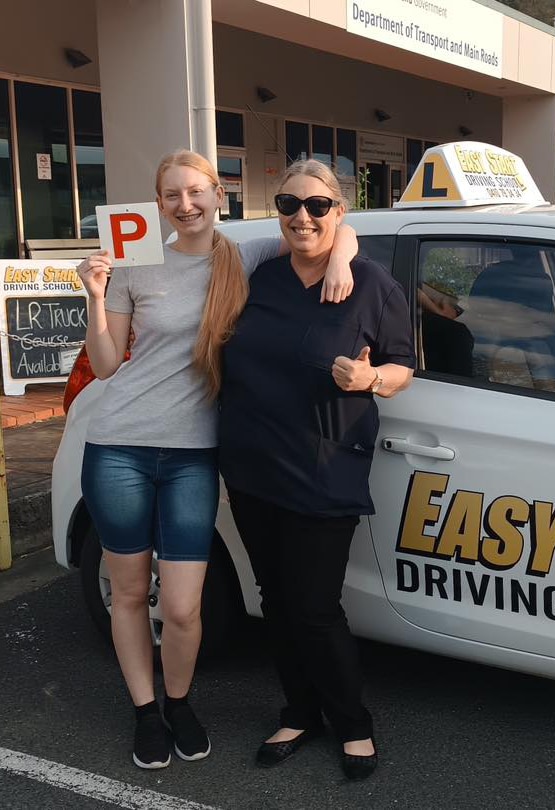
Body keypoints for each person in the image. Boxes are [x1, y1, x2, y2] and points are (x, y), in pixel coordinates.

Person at [77, 149, 358, 770]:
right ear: (158, 205)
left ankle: (180, 700)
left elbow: (331, 222)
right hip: (120, 444)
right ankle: (147, 712)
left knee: (181, 606)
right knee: (129, 595)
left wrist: (340, 255)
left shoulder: (245, 253)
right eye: (172, 195)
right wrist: (96, 297)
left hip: (194, 454)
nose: (186, 205)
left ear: (218, 196)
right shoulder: (132, 263)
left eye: (196, 192)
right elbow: (102, 365)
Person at [218, 160, 415, 780]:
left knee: (314, 604)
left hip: (325, 466)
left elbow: (403, 366)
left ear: (341, 211)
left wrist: (371, 379)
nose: (302, 216)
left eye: (318, 206)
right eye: (288, 204)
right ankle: (299, 710)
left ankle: (352, 723)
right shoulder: (259, 272)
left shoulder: (374, 284)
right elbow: (194, 243)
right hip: (253, 465)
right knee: (273, 599)